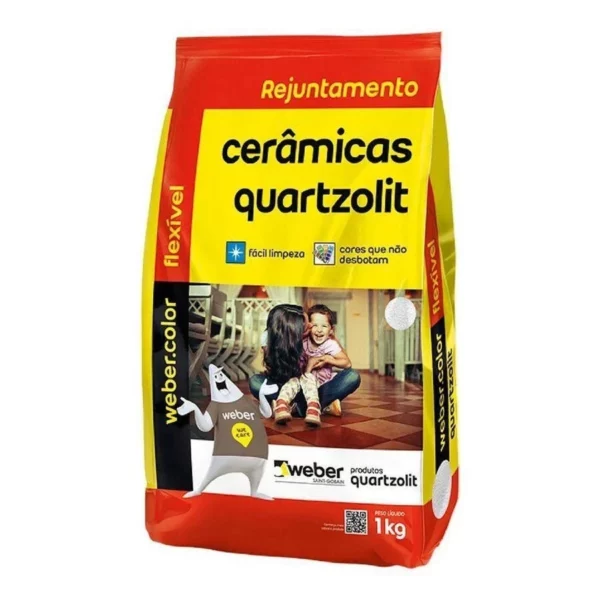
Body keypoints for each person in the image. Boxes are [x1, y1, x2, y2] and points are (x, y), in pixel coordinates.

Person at [249, 303, 361, 426]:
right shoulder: (271, 339)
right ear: (294, 330)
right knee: (255, 381)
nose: (312, 326)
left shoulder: (324, 341)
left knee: (352, 376)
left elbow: (345, 361)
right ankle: (315, 406)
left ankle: (292, 407)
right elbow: (276, 372)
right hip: (289, 386)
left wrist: (326, 357)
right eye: (308, 324)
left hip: (315, 387)